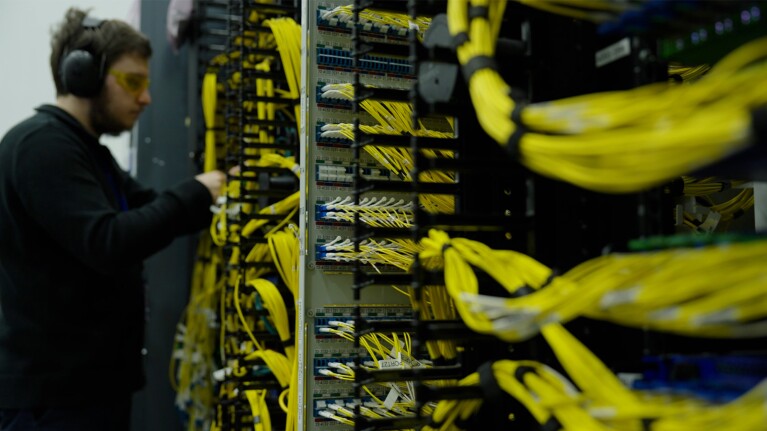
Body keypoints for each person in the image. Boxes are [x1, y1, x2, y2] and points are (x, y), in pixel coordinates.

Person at [0, 7, 226, 431]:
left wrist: (218, 194)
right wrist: (196, 192)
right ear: (82, 76)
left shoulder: (88, 152)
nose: (146, 98)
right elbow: (110, 240)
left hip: (88, 393)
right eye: (133, 82)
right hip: (52, 405)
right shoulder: (41, 147)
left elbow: (151, 208)